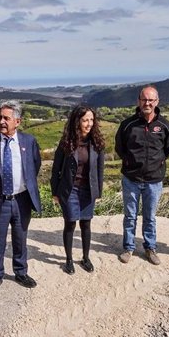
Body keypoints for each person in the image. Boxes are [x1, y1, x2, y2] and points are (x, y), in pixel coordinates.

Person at [0, 101, 41, 295]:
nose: (1, 122)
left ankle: (20, 272)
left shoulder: (29, 142)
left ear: (17, 121)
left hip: (22, 200)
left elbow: (34, 167)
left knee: (20, 239)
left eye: (6, 118)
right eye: (0, 117)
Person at [115, 85, 169, 265]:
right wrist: (128, 161)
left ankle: (150, 248)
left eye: (151, 100)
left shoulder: (165, 126)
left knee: (150, 216)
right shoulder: (127, 125)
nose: (147, 103)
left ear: (157, 102)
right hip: (131, 178)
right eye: (144, 100)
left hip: (154, 180)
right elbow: (120, 148)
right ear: (138, 101)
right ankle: (128, 247)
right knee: (130, 216)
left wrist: (158, 162)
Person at [50, 105, 105, 275]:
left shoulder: (97, 142)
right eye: (85, 120)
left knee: (86, 223)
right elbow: (56, 169)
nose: (89, 123)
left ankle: (86, 257)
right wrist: (55, 192)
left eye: (91, 119)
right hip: (69, 190)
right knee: (71, 223)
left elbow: (100, 170)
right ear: (77, 121)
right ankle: (68, 260)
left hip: (88, 190)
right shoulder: (66, 142)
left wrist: (98, 192)